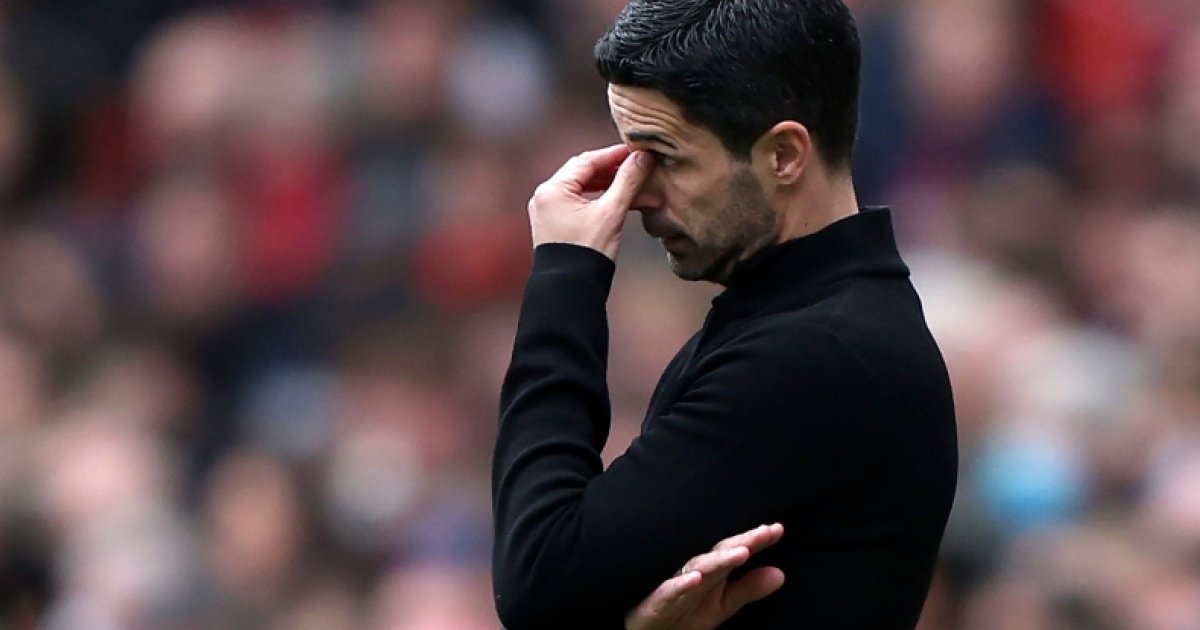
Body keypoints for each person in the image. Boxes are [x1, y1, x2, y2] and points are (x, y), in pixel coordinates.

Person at [491, 0, 958, 628]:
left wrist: (565, 276)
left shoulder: (818, 355)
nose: (636, 194)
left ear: (784, 155)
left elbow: (539, 577)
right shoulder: (797, 318)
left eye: (666, 157)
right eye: (630, 156)